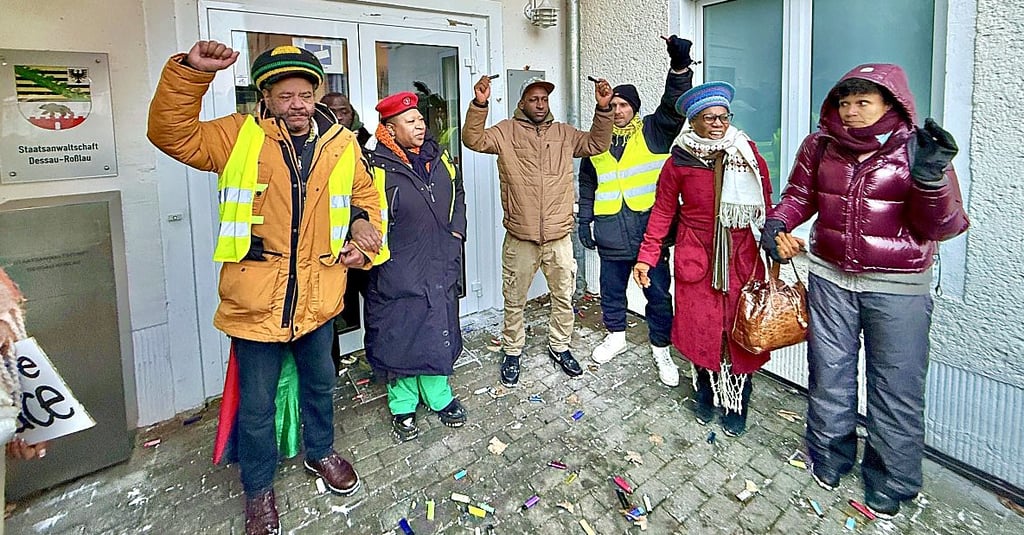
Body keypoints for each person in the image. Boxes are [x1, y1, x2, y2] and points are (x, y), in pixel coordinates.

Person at [147, 41, 381, 535]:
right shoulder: (238, 136)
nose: (297, 104)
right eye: (285, 95)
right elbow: (170, 133)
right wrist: (191, 73)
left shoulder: (341, 142)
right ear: (266, 97)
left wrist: (363, 232)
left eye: (305, 94)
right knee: (256, 407)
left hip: (319, 298)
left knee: (321, 386)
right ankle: (258, 488)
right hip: (256, 304)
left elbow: (364, 197)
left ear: (316, 94)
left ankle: (320, 451)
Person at [761, 64, 968, 519]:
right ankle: (829, 455)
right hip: (830, 279)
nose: (851, 111)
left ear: (891, 104)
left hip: (897, 287)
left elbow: (943, 226)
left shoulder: (916, 149)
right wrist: (777, 222)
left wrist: (931, 178)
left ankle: (891, 479)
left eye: (863, 102)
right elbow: (800, 195)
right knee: (829, 373)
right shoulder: (820, 145)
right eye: (844, 102)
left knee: (895, 385)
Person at [633, 82, 773, 438]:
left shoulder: (746, 153)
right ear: (693, 121)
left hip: (741, 255)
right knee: (700, 329)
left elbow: (766, 203)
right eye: (709, 118)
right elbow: (663, 212)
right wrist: (647, 257)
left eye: (723, 117)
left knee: (739, 330)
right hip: (696, 256)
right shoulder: (678, 161)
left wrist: (775, 241)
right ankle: (706, 392)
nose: (718, 124)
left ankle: (737, 400)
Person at [462, 74, 613, 387]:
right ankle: (512, 350)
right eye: (534, 99)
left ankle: (560, 345)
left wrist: (603, 109)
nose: (540, 104)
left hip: (559, 237)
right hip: (520, 237)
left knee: (563, 296)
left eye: (544, 99)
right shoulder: (505, 131)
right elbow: (473, 140)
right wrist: (479, 104)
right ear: (522, 102)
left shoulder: (564, 134)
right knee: (514, 299)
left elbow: (597, 143)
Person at [577, 35, 694, 387]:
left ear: (634, 108)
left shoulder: (655, 131)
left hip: (649, 234)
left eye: (624, 105)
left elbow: (673, 104)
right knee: (611, 291)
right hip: (611, 229)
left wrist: (679, 67)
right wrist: (585, 220)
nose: (617, 110)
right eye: (612, 105)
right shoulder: (597, 139)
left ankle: (661, 349)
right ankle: (616, 336)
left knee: (657, 296)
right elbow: (587, 183)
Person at [362, 92, 468, 442]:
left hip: (439, 259)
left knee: (437, 327)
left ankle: (439, 396)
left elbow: (458, 193)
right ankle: (403, 404)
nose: (420, 125)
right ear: (390, 128)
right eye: (410, 121)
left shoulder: (438, 157)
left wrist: (456, 232)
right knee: (401, 335)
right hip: (397, 267)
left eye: (421, 119)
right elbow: (359, 211)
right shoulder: (373, 164)